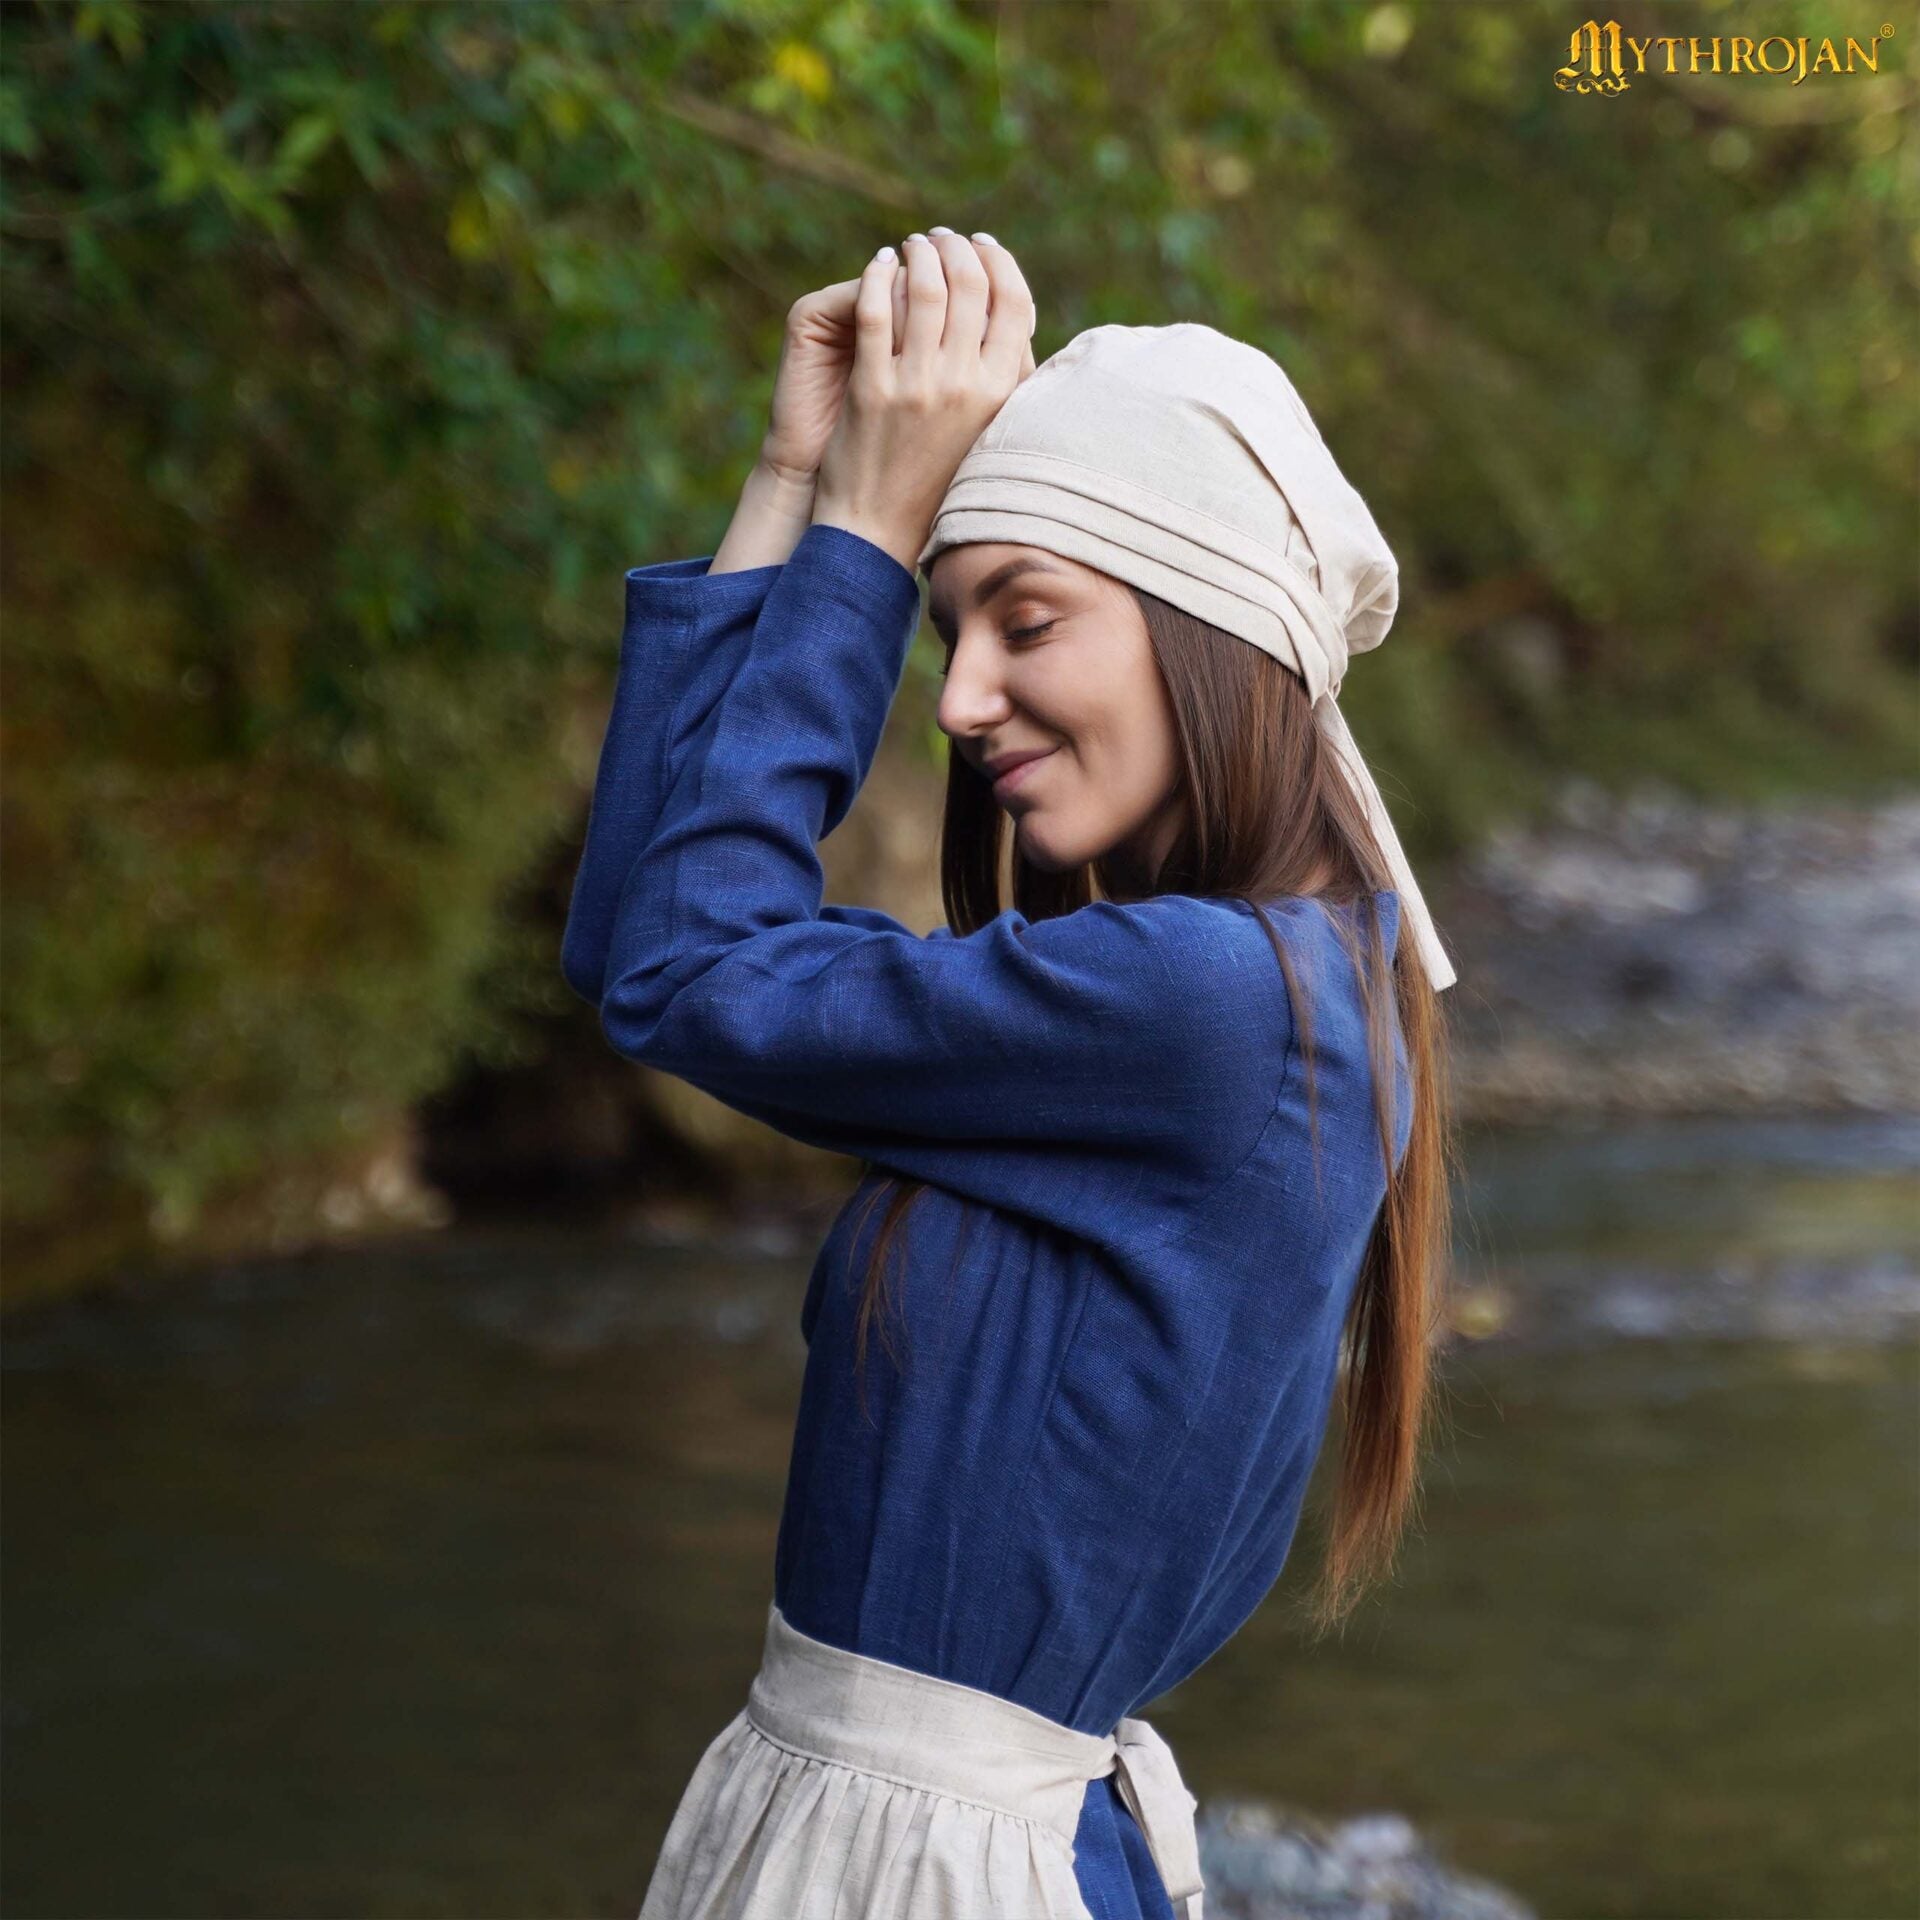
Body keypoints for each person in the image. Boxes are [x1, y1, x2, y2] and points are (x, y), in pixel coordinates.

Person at [563, 229, 1460, 1920]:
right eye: (943, 628)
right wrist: (798, 480)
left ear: (1213, 631)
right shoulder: (1264, 984)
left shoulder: (1218, 1006)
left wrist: (871, 537)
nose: (961, 695)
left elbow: (684, 970)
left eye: (1024, 622)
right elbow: (641, 953)